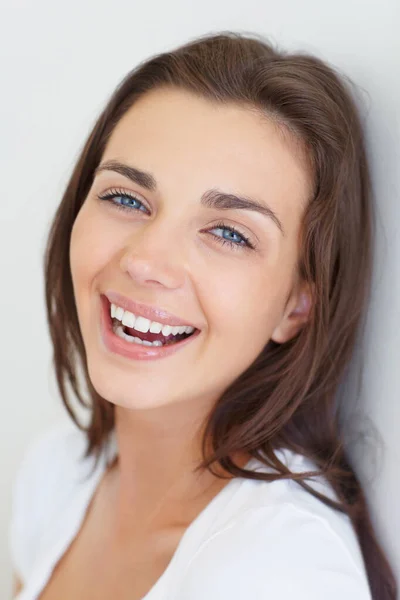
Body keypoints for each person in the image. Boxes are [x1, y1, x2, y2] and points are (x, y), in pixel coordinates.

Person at [9, 31, 397, 600]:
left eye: (228, 233)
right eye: (125, 199)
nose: (144, 261)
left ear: (298, 305)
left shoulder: (279, 574)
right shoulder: (55, 478)